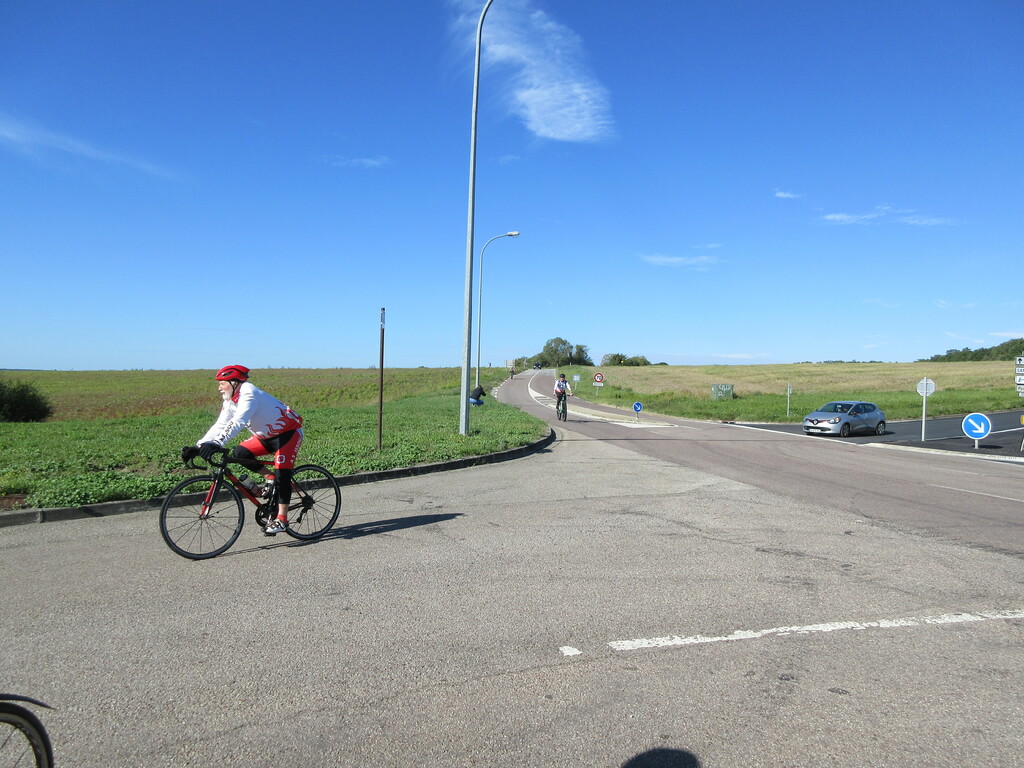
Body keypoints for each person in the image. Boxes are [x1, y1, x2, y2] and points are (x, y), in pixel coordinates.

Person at [181, 365, 303, 536]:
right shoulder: (231, 400)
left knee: (282, 473)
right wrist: (199, 446)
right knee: (240, 453)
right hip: (265, 436)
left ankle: (282, 519)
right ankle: (270, 477)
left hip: (287, 434)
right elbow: (221, 424)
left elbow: (238, 421)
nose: (219, 388)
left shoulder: (249, 393)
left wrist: (217, 443)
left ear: (234, 382)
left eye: (222, 383)